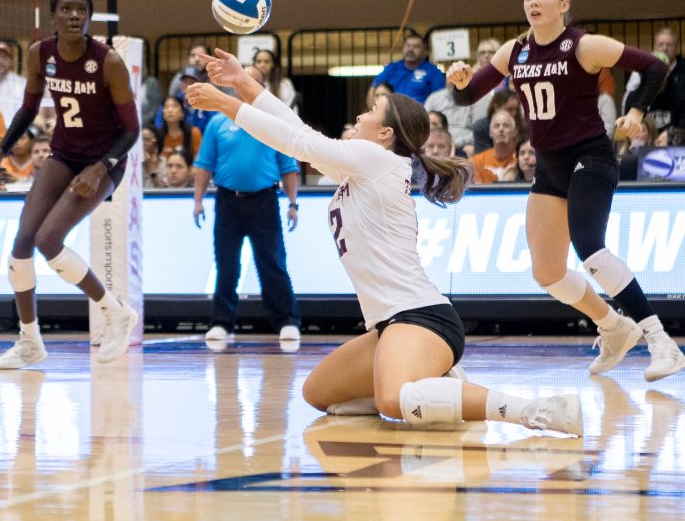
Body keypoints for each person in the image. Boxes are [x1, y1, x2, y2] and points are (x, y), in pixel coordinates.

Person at [188, 47, 583, 436]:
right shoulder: (363, 166)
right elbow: (299, 133)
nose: (360, 115)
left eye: (370, 112)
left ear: (385, 133)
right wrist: (242, 83)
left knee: (396, 401)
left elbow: (297, 143)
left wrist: (226, 103)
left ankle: (535, 410)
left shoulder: (377, 161)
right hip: (389, 324)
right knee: (318, 393)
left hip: (422, 317)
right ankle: (434, 384)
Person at [448, 0, 685, 382]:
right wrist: (458, 83)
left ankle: (661, 341)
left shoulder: (583, 45)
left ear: (563, 4)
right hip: (549, 166)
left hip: (590, 156)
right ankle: (614, 327)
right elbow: (468, 96)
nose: (533, 2)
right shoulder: (514, 51)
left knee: (589, 247)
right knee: (547, 273)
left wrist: (636, 112)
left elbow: (654, 67)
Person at [0, 0, 140, 369]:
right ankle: (30, 341)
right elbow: (28, 110)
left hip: (104, 161)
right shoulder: (40, 53)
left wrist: (100, 169)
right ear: (53, 17)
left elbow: (131, 131)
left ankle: (116, 312)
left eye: (81, 10)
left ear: (88, 18)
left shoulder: (108, 61)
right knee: (22, 243)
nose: (74, 15)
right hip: (64, 154)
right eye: (66, 9)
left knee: (50, 241)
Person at [192, 65, 302, 345]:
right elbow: (204, 165)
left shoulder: (273, 122)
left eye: (253, 81)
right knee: (226, 264)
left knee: (273, 263)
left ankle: (287, 321)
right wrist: (198, 201)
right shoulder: (217, 123)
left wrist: (293, 203)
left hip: (264, 200)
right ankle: (222, 323)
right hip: (228, 201)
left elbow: (288, 166)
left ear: (261, 88)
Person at [423, 38, 495, 151]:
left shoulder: (482, 97)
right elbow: (423, 127)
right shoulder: (434, 98)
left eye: (459, 76)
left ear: (468, 79)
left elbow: (480, 130)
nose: (454, 80)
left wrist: (453, 143)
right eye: (450, 76)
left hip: (465, 146)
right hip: (435, 145)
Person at [372, 34, 445, 105]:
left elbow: (440, 98)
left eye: (416, 46)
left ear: (426, 52)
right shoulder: (392, 68)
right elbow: (373, 90)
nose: (410, 49)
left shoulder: (433, 71)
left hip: (420, 115)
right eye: (407, 46)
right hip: (392, 114)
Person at [0, 42, 26, 123]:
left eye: (4, 57)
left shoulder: (22, 83)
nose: (1, 61)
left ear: (11, 61)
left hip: (16, 130)